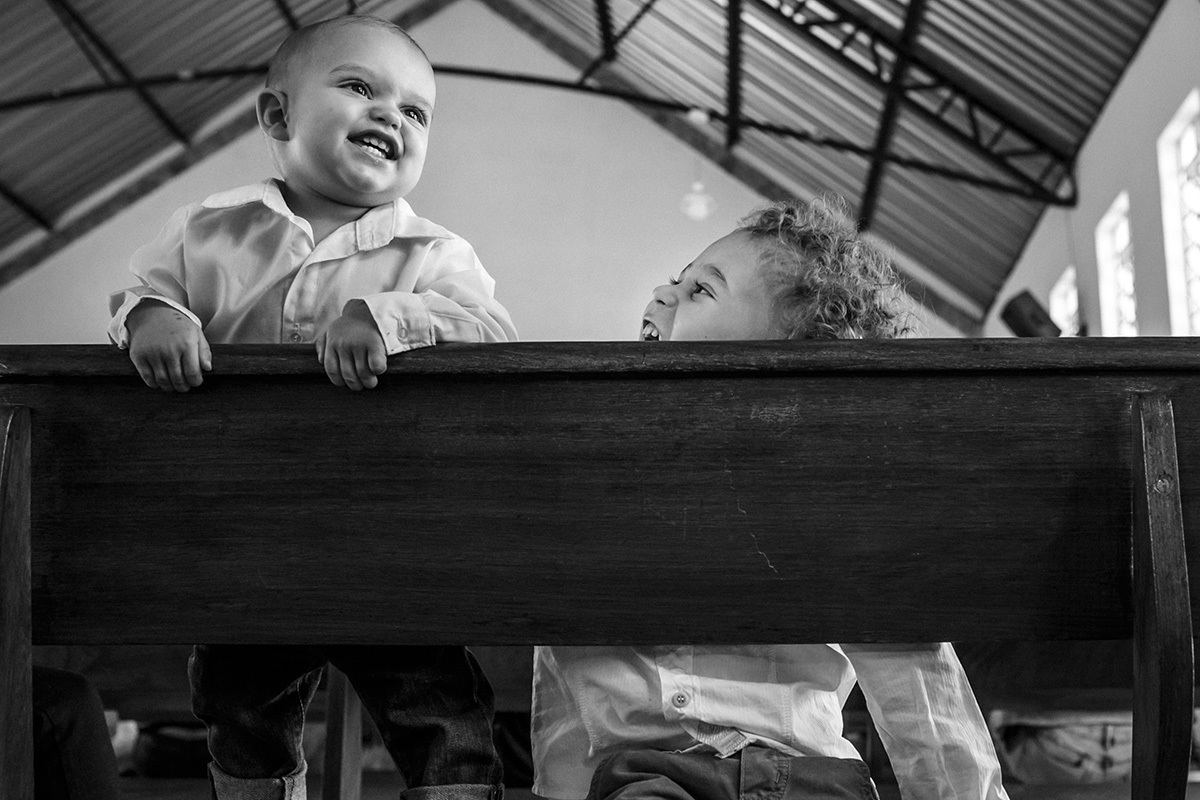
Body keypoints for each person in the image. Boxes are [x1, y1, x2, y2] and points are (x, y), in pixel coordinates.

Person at [107, 15, 513, 800]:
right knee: (237, 704)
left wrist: (386, 316)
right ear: (277, 116)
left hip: (392, 537)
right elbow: (141, 296)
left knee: (439, 708)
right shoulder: (206, 230)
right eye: (361, 87)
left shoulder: (433, 255)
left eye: (417, 112)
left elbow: (492, 330)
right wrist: (153, 319)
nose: (393, 115)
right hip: (244, 534)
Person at [532, 197, 1010, 800]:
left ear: (781, 353)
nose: (662, 292)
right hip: (651, 777)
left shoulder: (824, 498)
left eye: (701, 290)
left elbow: (912, 675)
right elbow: (559, 665)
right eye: (677, 281)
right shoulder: (598, 481)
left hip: (805, 774)